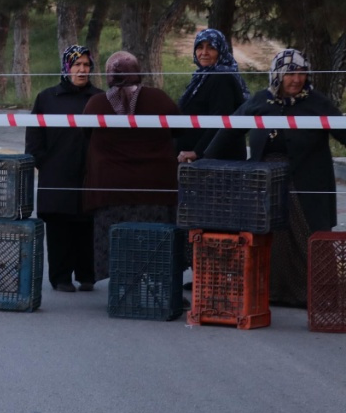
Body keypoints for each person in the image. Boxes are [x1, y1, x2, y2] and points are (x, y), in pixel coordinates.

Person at [203, 49, 346, 308]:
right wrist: (203, 157)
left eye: (302, 73)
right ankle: (274, 292)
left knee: (309, 237)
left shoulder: (317, 103)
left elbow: (343, 132)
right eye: (290, 73)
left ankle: (316, 295)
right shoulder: (261, 101)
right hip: (266, 183)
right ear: (278, 75)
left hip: (307, 181)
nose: (296, 79)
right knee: (272, 237)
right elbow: (230, 130)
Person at [82, 51, 180, 288]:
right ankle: (157, 288)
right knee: (155, 240)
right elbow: (178, 129)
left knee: (118, 241)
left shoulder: (96, 103)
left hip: (111, 190)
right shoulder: (160, 99)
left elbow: (85, 133)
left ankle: (123, 287)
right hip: (155, 188)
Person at [26, 45, 103, 292]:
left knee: (87, 223)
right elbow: (34, 135)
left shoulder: (99, 98)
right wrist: (43, 162)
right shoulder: (47, 97)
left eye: (86, 65)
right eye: (76, 65)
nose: (81, 70)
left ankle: (87, 275)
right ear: (66, 68)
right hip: (56, 171)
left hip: (89, 173)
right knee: (59, 225)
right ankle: (60, 277)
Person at [176, 28, 249, 164]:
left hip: (216, 161)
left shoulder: (222, 78)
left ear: (220, 50)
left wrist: (198, 152)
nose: (204, 53)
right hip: (200, 161)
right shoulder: (201, 78)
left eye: (211, 47)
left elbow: (221, 120)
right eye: (199, 47)